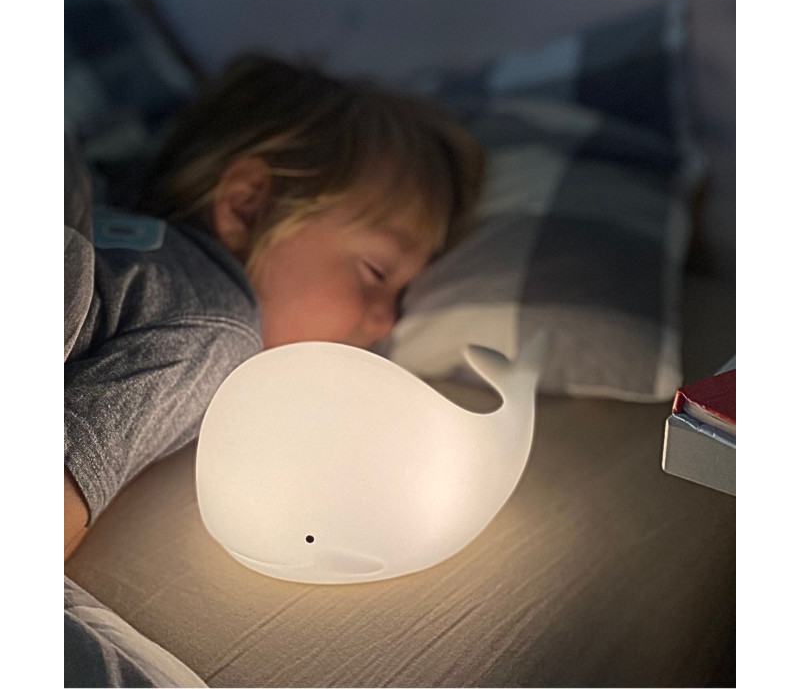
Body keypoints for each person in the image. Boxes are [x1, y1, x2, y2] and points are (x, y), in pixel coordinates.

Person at [64, 55, 485, 559]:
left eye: (401, 294)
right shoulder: (216, 328)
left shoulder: (114, 229)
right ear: (247, 207)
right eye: (376, 272)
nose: (387, 321)